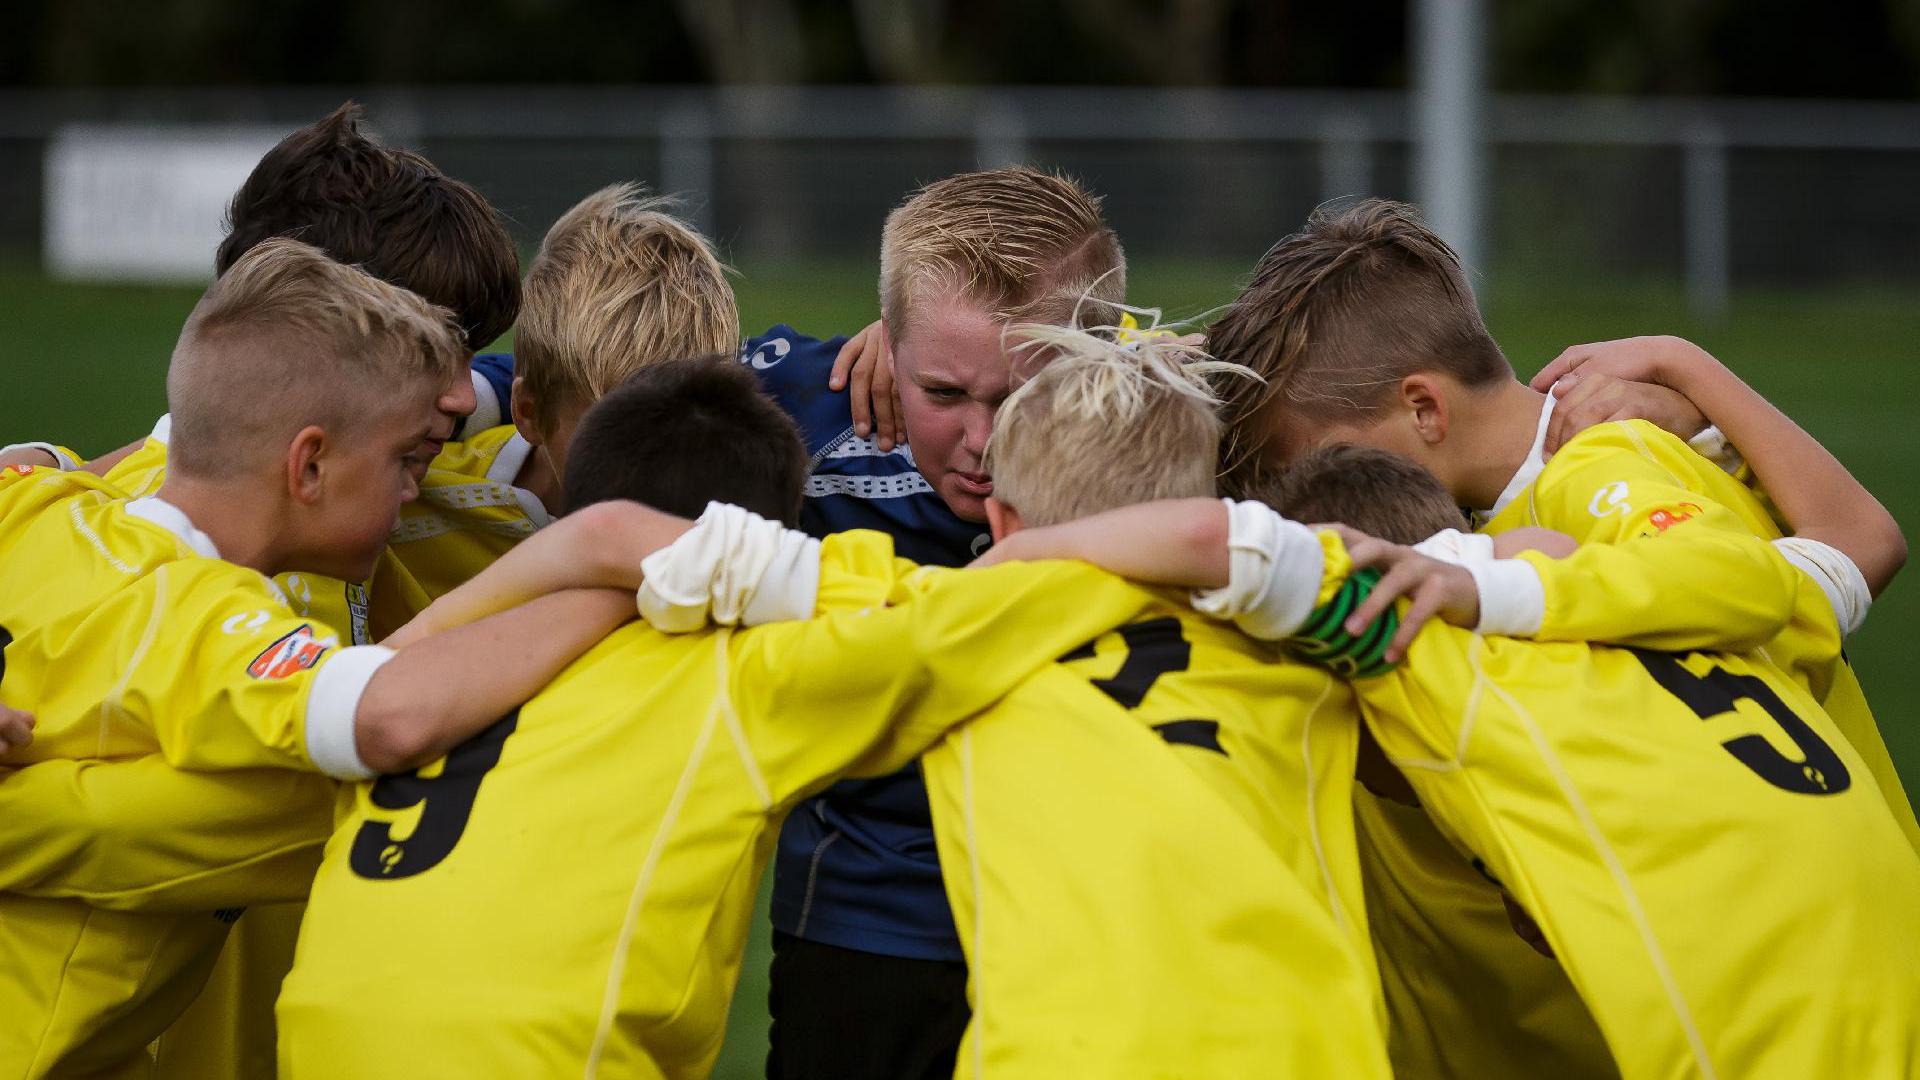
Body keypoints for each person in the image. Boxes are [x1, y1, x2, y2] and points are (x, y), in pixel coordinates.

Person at [274, 355, 1180, 1078]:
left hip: (314, 1033)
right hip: (531, 1052)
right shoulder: (743, 673)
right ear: (760, 545)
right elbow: (983, 614)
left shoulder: (455, 656)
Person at [1202, 196, 1917, 1077]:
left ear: (1424, 409)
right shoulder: (1553, 482)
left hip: (1798, 945)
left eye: (1306, 458)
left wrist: (1679, 369)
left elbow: (1794, 569)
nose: (1303, 495)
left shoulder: (1601, 465)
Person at [0, 240, 630, 1079]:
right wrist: (625, 577)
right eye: (408, 459)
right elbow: (387, 711)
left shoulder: (40, 504)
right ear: (309, 464)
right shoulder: (198, 616)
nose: (416, 491)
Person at [737, 165, 1132, 1078]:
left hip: (1096, 926)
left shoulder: (1184, 423)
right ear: (891, 347)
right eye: (944, 394)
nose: (984, 440)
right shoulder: (807, 405)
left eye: (1024, 392)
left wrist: (1541, 409)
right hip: (868, 932)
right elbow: (579, 376)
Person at [378, 182, 740, 630]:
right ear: (529, 412)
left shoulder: (737, 529)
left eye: (687, 430)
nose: (657, 466)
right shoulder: (407, 496)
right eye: (617, 437)